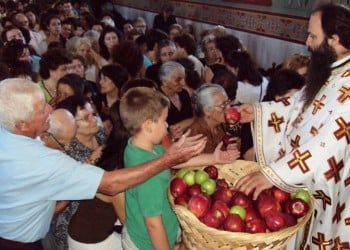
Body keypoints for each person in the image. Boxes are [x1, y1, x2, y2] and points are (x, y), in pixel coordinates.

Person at [0, 78, 206, 249]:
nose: (50, 107)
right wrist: (168, 159)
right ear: (22, 124)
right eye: (41, 109)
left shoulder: (8, 129)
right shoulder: (40, 160)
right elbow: (111, 185)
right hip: (19, 243)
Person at [235, 3, 350, 249]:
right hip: (301, 181)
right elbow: (301, 103)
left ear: (335, 40)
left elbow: (328, 144)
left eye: (312, 36)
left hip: (322, 188)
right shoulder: (332, 70)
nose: (307, 42)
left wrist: (275, 174)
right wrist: (259, 112)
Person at [119, 87, 239, 250]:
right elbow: (153, 224)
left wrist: (215, 158)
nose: (167, 125)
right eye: (164, 120)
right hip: (147, 244)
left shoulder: (138, 147)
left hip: (151, 231)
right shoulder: (148, 174)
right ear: (148, 125)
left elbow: (173, 161)